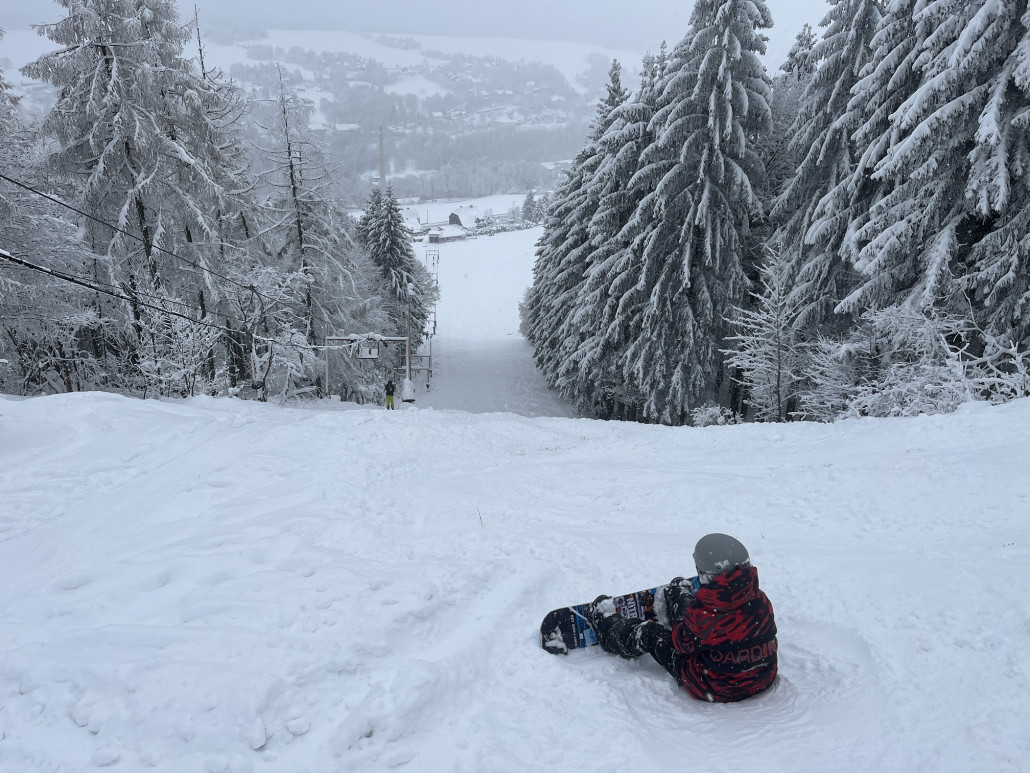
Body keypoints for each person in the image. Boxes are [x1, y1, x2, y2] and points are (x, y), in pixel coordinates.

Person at [583, 533, 777, 703]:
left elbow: (680, 643)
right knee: (695, 627)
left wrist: (686, 620)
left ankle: (608, 630)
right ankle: (680, 598)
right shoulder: (761, 600)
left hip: (713, 686)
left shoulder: (703, 616)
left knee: (652, 634)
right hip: (762, 676)